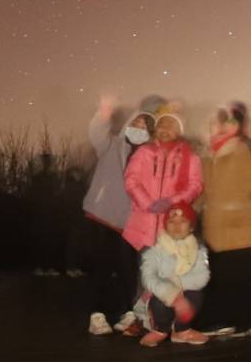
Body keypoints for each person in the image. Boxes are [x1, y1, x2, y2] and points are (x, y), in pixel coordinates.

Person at [82, 94, 161, 336]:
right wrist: (103, 113)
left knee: (127, 268)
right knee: (102, 266)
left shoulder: (149, 155)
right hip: (103, 214)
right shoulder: (112, 144)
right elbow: (96, 132)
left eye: (145, 126)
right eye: (136, 123)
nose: (139, 129)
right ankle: (97, 315)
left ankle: (128, 313)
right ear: (129, 123)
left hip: (128, 220)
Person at [198, 102, 251, 337]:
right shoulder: (208, 155)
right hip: (216, 227)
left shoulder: (241, 149)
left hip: (240, 225)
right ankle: (232, 319)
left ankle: (249, 321)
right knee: (225, 275)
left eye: (221, 123)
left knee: (243, 273)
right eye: (213, 124)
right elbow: (202, 189)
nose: (216, 128)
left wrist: (234, 204)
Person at [122, 104, 204, 256]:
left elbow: (195, 186)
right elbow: (130, 180)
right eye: (161, 124)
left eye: (170, 125)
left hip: (171, 228)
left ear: (180, 130)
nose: (164, 129)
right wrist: (147, 203)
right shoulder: (144, 152)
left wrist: (171, 202)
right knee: (143, 274)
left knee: (167, 276)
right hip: (141, 226)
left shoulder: (190, 157)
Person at [135, 203, 211, 347]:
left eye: (183, 222)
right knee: (158, 300)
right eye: (171, 222)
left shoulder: (198, 250)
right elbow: (148, 277)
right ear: (165, 225)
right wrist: (172, 293)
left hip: (185, 298)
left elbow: (202, 276)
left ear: (191, 227)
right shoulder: (155, 249)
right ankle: (160, 329)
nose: (177, 226)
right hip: (160, 295)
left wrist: (179, 288)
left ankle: (181, 329)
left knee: (196, 295)